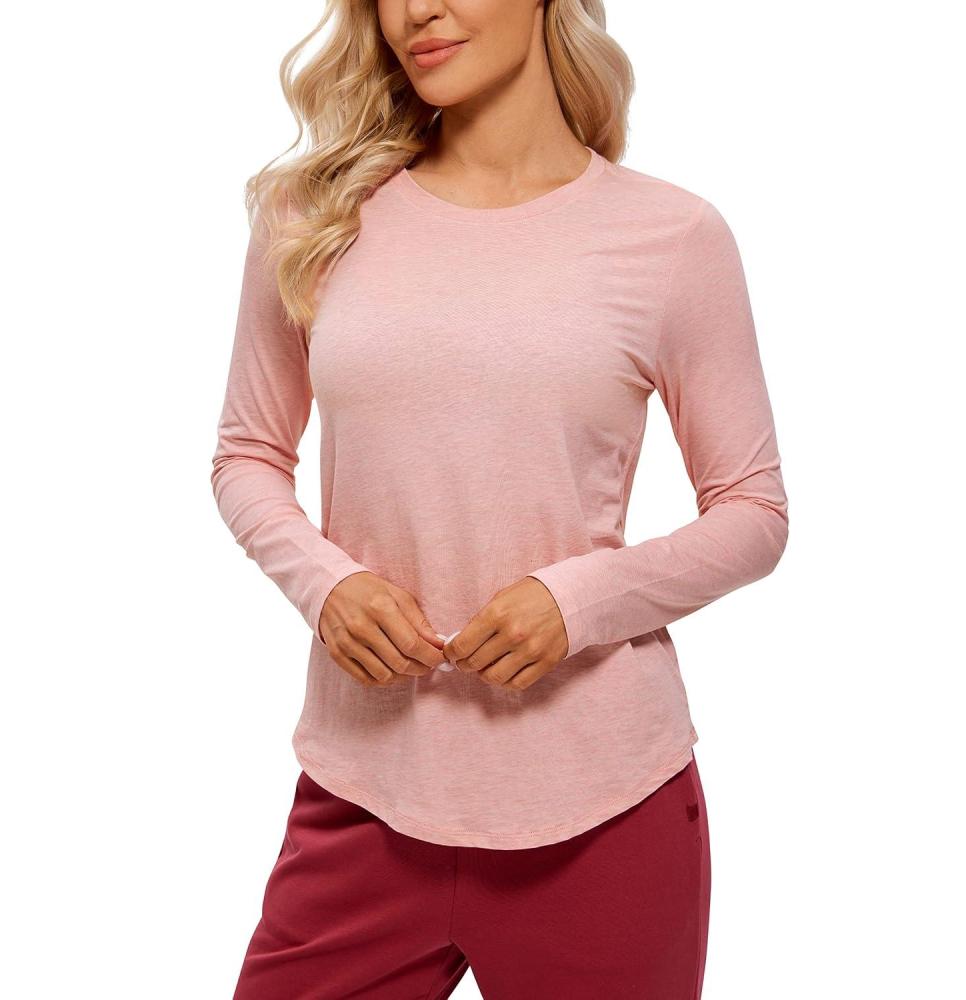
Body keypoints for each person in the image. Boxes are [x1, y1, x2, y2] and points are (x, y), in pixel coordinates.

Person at [210, 1, 789, 996]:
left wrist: (577, 602)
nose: (414, 12)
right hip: (364, 792)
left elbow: (753, 510)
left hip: (604, 810)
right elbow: (248, 453)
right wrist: (326, 585)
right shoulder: (312, 216)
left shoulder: (670, 237)